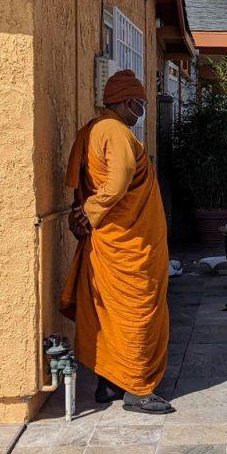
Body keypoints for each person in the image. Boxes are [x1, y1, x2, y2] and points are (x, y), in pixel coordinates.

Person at [60, 69, 173, 414]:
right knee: (135, 313)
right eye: (139, 104)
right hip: (128, 245)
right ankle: (137, 390)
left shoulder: (93, 130)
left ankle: (109, 383)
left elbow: (84, 181)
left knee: (109, 316)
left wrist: (86, 211)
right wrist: (91, 210)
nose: (141, 112)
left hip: (111, 241)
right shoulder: (115, 131)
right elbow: (119, 179)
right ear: (126, 102)